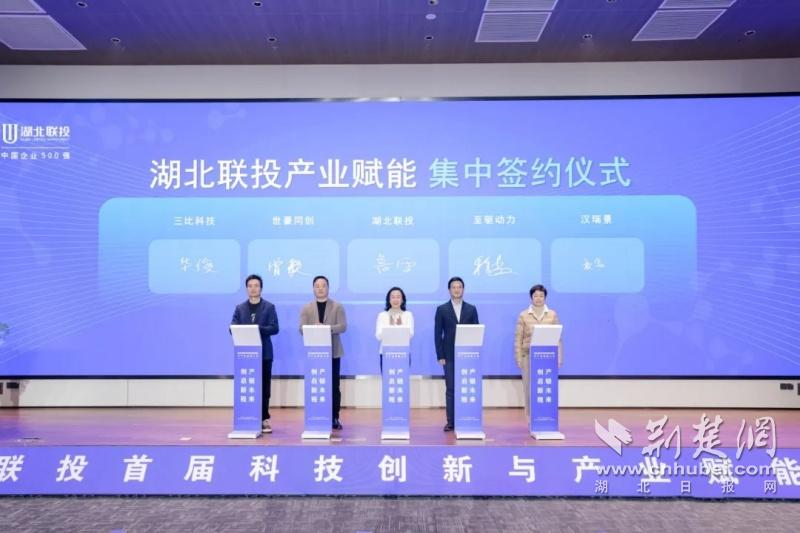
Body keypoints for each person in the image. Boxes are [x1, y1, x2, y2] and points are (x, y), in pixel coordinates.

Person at [230, 274, 279, 433]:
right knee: (248, 386)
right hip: (245, 356)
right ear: (246, 289)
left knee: (264, 388)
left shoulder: (269, 307)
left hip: (264, 354)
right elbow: (232, 327)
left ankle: (264, 418)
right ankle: (247, 416)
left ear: (261, 288)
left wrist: (257, 329)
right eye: (250, 286)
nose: (253, 288)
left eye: (256, 285)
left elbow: (275, 328)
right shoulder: (240, 308)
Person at [299, 275, 347, 431]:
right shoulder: (306, 308)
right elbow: (301, 329)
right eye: (317, 286)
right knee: (316, 385)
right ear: (313, 288)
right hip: (314, 353)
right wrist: (314, 329)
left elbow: (343, 327)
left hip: (333, 352)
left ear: (328, 288)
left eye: (323, 285)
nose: (320, 288)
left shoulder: (337, 306)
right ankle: (316, 414)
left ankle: (334, 416)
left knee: (333, 385)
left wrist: (325, 328)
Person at [434, 276, 479, 432]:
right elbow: (437, 334)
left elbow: (476, 332)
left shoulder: (471, 309)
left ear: (463, 289)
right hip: (449, 356)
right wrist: (440, 355)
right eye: (454, 287)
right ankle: (451, 422)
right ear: (449, 290)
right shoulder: (442, 309)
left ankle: (467, 418)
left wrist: (475, 353)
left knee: (467, 388)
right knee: (451, 388)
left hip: (468, 355)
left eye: (459, 287)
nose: (457, 289)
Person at [514, 284, 563, 420]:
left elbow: (558, 338)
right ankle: (531, 417)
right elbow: (518, 338)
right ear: (531, 297)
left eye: (541, 296)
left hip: (547, 357)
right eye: (535, 296)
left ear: (545, 298)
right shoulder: (523, 315)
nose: (539, 298)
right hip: (528, 356)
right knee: (529, 387)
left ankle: (546, 416)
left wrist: (559, 357)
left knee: (546, 386)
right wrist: (518, 357)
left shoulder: (552, 314)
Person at [375, 286, 414, 372]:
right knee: (387, 378)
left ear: (402, 300)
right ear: (389, 300)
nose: (395, 299)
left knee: (402, 379)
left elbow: (410, 334)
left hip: (403, 353)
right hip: (385, 352)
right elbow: (378, 336)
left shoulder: (408, 315)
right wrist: (392, 329)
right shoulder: (382, 315)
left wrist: (398, 328)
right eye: (393, 297)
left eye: (398, 297)